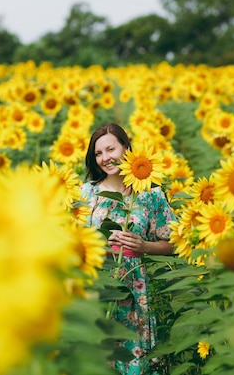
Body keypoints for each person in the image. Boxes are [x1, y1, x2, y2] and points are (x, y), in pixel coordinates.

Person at [80, 123, 175, 374]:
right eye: (98, 153)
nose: (105, 158)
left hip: (133, 285)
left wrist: (144, 246)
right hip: (95, 284)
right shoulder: (86, 194)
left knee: (132, 356)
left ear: (126, 148)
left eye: (110, 149)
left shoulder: (150, 194)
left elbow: (171, 242)